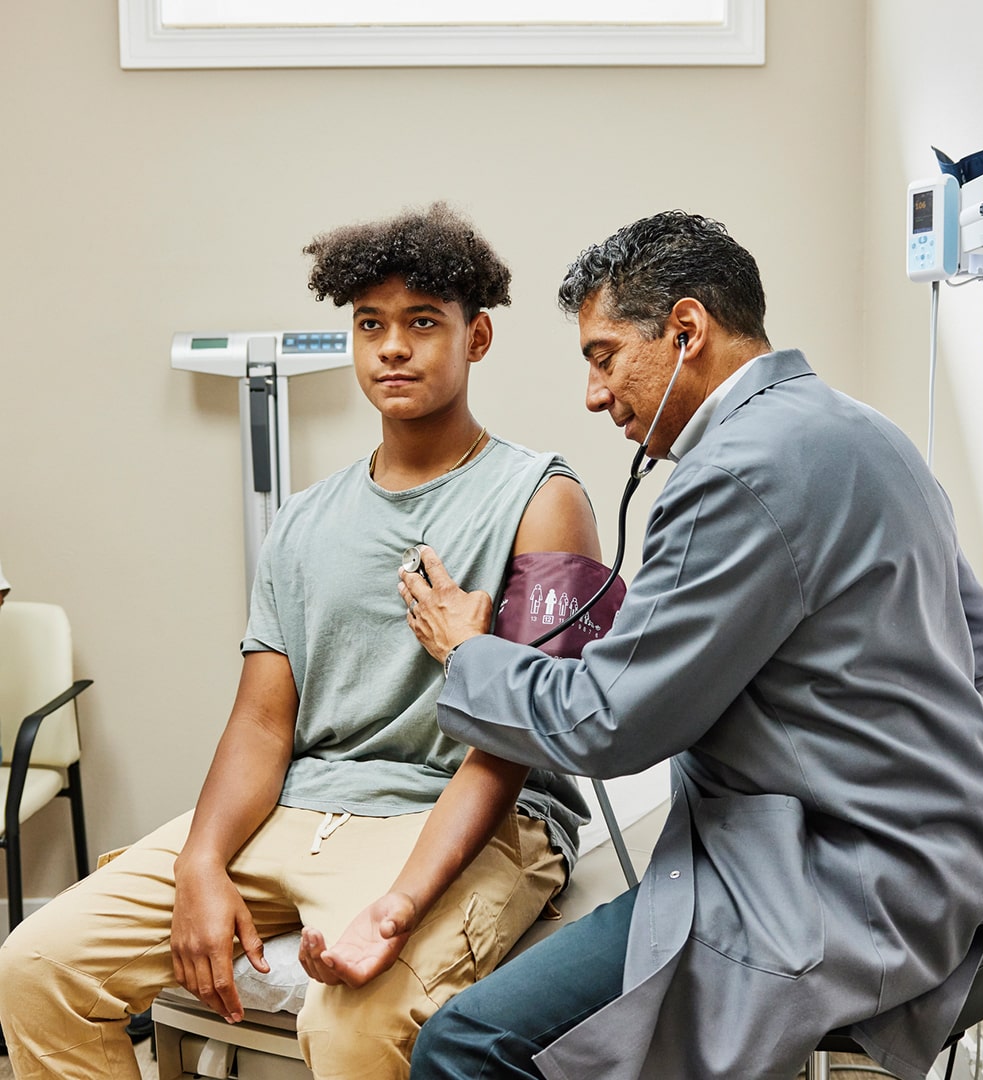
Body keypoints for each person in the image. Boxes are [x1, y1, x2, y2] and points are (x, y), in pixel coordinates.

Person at [401, 210, 983, 1080]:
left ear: (687, 329)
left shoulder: (731, 472)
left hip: (832, 894)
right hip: (942, 878)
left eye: (604, 355)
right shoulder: (867, 432)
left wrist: (468, 651)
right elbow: (977, 641)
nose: (594, 394)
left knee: (466, 1045)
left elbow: (609, 728)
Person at [0, 203, 612, 1080]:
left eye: (422, 323)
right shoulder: (304, 522)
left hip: (466, 814)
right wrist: (204, 864)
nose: (392, 348)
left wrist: (399, 906)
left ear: (477, 339)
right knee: (35, 967)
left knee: (353, 1022)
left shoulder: (542, 497)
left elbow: (521, 736)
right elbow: (260, 725)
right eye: (371, 325)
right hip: (300, 808)